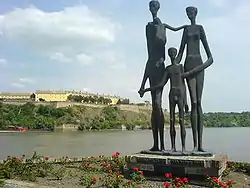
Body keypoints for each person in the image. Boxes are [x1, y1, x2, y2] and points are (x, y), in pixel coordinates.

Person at [138, 0, 186, 151]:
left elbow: (162, 40)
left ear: (157, 8)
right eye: (151, 7)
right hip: (151, 65)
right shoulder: (148, 27)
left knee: (158, 105)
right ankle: (156, 144)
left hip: (159, 67)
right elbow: (149, 58)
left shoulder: (160, 26)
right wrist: (142, 84)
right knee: (154, 107)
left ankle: (163, 145)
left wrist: (160, 25)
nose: (153, 9)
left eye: (155, 7)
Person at [175, 6, 213, 152]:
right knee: (194, 101)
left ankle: (200, 145)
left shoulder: (200, 28)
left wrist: (198, 69)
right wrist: (171, 66)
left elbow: (210, 58)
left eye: (192, 12)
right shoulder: (185, 30)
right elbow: (180, 53)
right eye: (187, 12)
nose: (190, 14)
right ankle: (195, 143)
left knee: (199, 103)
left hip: (198, 66)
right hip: (188, 65)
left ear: (196, 13)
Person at [142, 47, 189, 153]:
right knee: (172, 121)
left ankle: (183, 147)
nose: (172, 54)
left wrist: (186, 101)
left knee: (182, 120)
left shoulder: (181, 67)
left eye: (174, 52)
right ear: (169, 55)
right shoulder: (168, 69)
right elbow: (161, 84)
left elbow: (184, 84)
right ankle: (173, 147)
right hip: (172, 94)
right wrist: (146, 89)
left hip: (180, 94)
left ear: (176, 54)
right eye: (170, 53)